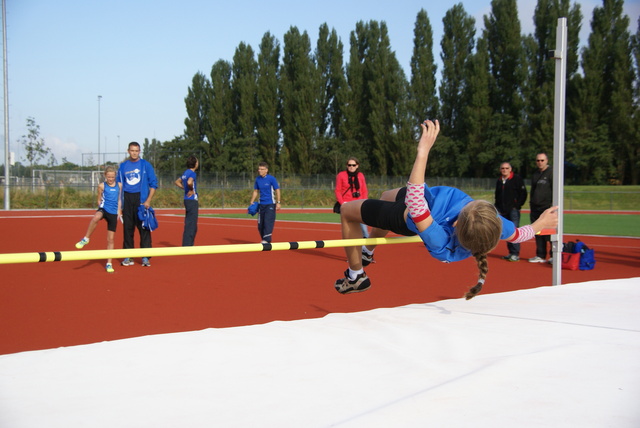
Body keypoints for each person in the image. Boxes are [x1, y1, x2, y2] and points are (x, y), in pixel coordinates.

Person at [334, 120, 558, 299]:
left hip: (406, 217)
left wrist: (423, 152)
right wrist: (541, 224)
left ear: (458, 223)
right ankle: (369, 251)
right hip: (429, 198)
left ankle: (356, 276)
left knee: (347, 211)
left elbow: (415, 204)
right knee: (384, 196)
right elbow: (519, 235)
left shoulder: (441, 243)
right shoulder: (491, 226)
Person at [74, 166, 122, 273]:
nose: (110, 179)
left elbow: (119, 199)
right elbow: (99, 198)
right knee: (96, 217)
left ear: (115, 176)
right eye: (108, 177)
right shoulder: (101, 186)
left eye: (112, 177)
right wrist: (100, 208)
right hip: (104, 209)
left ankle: (109, 264)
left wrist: (119, 211)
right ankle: (86, 238)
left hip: (113, 213)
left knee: (111, 240)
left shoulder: (119, 185)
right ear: (105, 176)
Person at [117, 141, 158, 267]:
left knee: (144, 229)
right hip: (127, 200)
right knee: (127, 229)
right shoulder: (123, 166)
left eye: (136, 150)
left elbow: (153, 184)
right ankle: (128, 256)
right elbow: (119, 187)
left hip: (141, 200)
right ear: (128, 151)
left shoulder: (145, 165)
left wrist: (148, 201)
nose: (134, 153)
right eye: (132, 150)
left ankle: (145, 257)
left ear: (139, 151)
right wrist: (119, 207)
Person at [494, 162, 527, 262]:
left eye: (506, 168)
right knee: (507, 230)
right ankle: (511, 252)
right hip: (502, 210)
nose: (504, 170)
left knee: (514, 230)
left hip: (513, 210)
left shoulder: (517, 179)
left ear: (510, 169)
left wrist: (516, 206)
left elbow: (523, 193)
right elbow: (497, 195)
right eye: (502, 168)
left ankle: (515, 253)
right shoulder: (499, 180)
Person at [335, 157, 370, 238]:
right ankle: (351, 248)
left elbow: (364, 190)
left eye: (353, 165)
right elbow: (338, 190)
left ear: (357, 166)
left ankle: (366, 249)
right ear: (347, 166)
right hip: (347, 204)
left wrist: (364, 201)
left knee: (364, 229)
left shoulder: (360, 175)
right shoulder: (341, 175)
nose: (351, 167)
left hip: (359, 204)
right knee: (349, 230)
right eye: (349, 165)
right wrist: (342, 203)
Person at [529, 153, 553, 263]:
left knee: (550, 232)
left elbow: (555, 189)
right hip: (535, 208)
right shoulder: (535, 174)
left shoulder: (551, 173)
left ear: (547, 160)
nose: (540, 162)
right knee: (537, 231)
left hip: (547, 207)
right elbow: (533, 190)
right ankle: (540, 255)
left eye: (542, 160)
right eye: (538, 160)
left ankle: (553, 255)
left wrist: (553, 205)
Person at [249, 162, 281, 244]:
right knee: (260, 225)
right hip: (261, 204)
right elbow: (256, 191)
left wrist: (278, 202)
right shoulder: (257, 179)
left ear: (266, 170)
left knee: (268, 222)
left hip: (270, 204)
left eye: (262, 169)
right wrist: (252, 200)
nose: (259, 170)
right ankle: (265, 239)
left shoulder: (271, 179)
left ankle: (267, 239)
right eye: (259, 169)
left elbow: (277, 190)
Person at [175, 155, 199, 246]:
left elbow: (177, 181)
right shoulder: (192, 173)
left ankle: (186, 243)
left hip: (186, 199)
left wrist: (184, 188)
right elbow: (189, 182)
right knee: (192, 224)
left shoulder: (185, 172)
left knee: (189, 222)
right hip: (192, 200)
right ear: (195, 164)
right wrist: (191, 189)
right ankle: (188, 245)